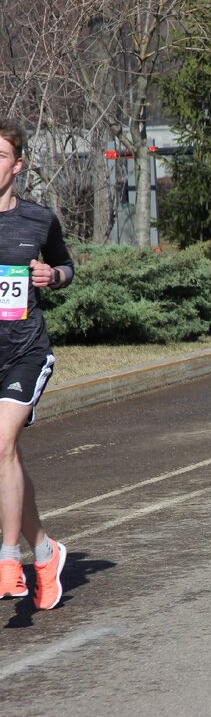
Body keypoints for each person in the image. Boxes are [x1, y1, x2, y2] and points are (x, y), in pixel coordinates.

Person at [0, 119, 71, 610]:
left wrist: (54, 273)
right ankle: (44, 552)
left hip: (26, 350)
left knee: (0, 443)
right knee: (6, 459)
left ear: (17, 164)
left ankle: (8, 558)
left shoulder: (37, 219)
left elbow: (65, 265)